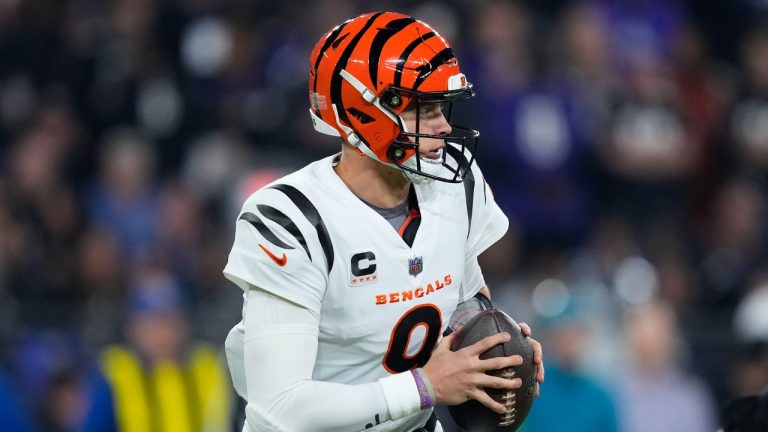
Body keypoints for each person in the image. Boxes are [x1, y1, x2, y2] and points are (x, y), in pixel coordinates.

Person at [223, 11, 544, 432]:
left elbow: (462, 295)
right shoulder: (291, 218)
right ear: (363, 113)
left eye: (441, 107)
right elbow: (280, 408)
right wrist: (424, 386)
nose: (444, 126)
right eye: (425, 109)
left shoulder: (455, 181)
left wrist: (492, 344)